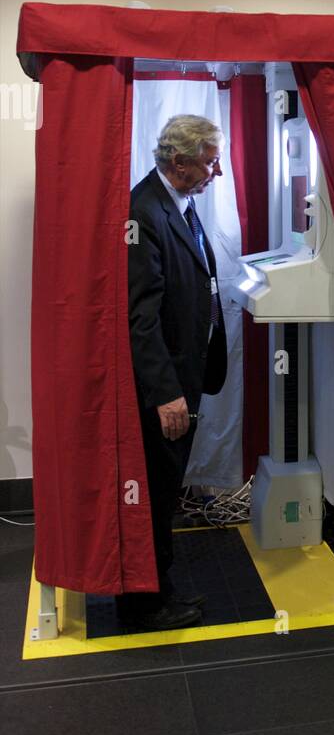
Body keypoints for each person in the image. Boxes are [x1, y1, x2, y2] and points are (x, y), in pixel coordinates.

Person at [117, 115, 227, 631]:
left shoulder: (178, 204)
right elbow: (140, 317)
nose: (218, 171)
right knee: (156, 496)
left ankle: (159, 588)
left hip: (187, 375)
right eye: (209, 161)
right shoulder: (145, 210)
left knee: (166, 492)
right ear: (179, 162)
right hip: (167, 388)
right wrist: (166, 394)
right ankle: (145, 604)